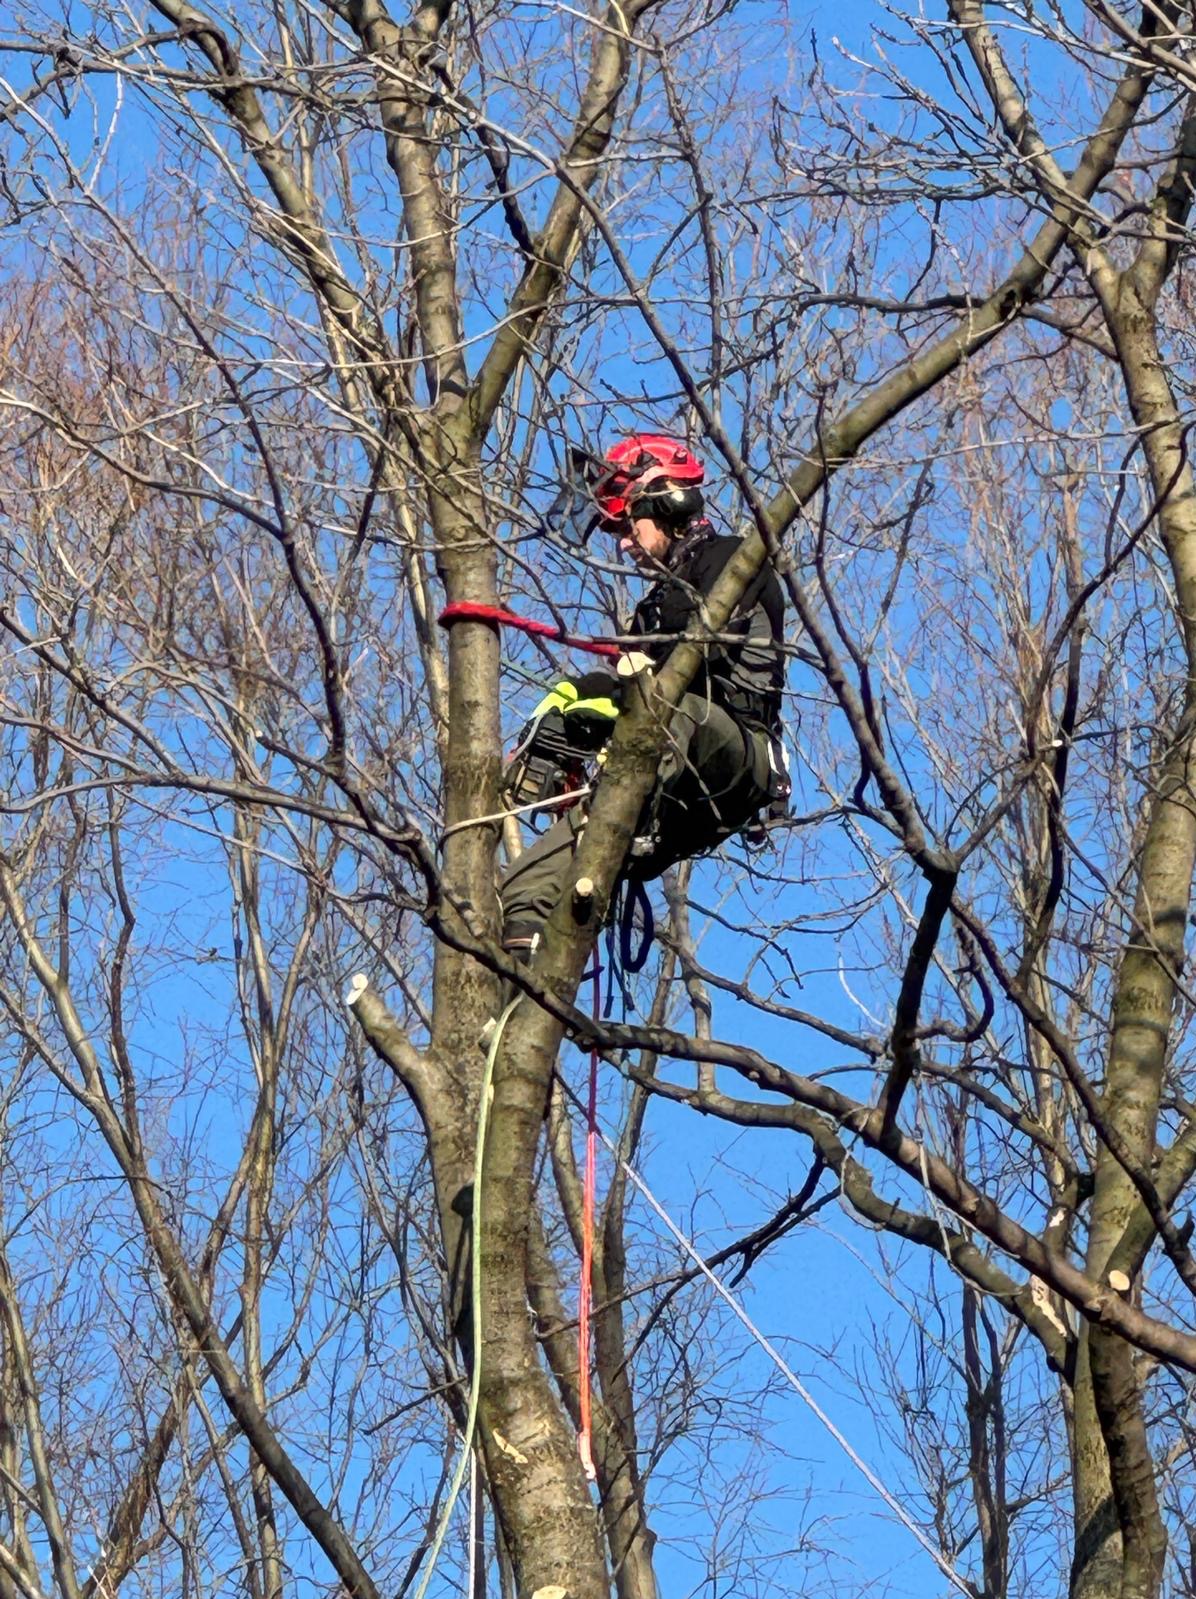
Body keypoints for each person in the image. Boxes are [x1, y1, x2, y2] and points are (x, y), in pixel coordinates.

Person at [499, 432, 787, 957]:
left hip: (733, 751)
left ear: (665, 503)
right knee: (529, 880)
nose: (625, 543)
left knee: (659, 709)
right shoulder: (654, 606)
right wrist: (558, 724)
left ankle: (626, 802)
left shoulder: (732, 561)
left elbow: (691, 662)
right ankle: (523, 956)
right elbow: (628, 683)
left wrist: (594, 701)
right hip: (677, 787)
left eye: (629, 526)